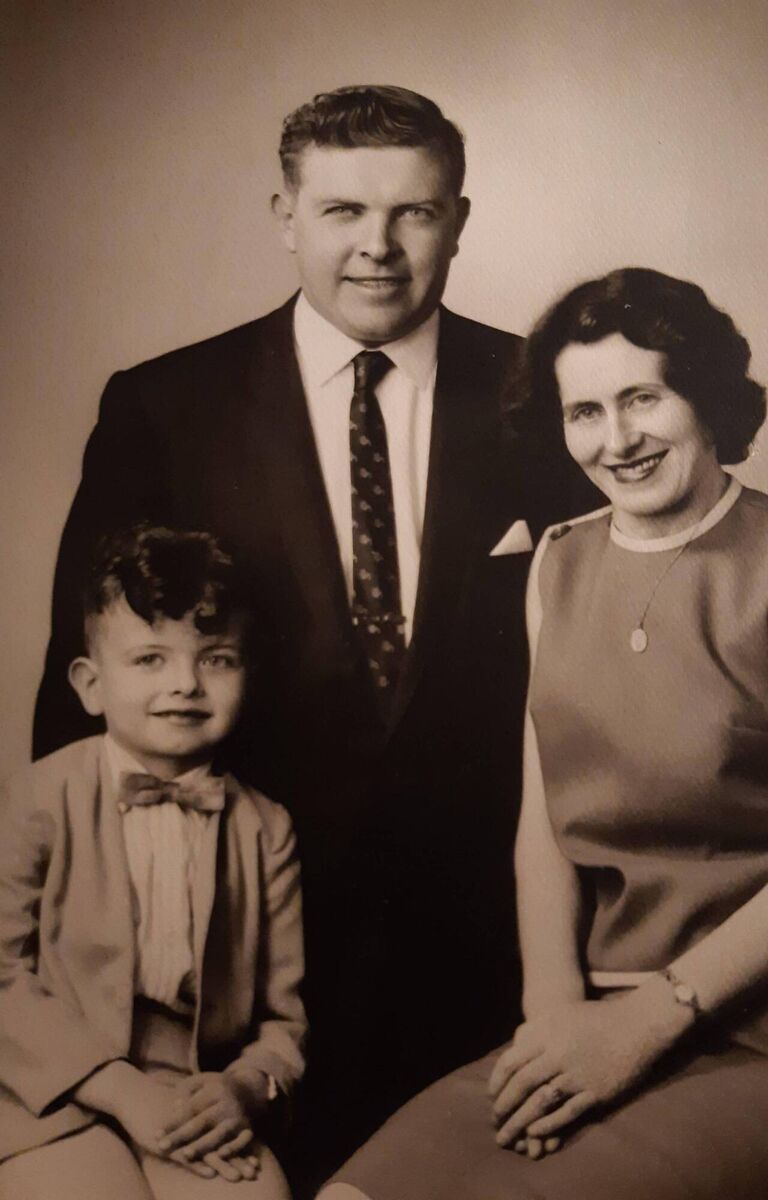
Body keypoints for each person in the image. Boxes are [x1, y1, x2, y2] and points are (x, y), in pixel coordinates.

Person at [31, 85, 595, 1187]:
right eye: (342, 212)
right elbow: (78, 699)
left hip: (490, 939)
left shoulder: (546, 398)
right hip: (222, 950)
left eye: (414, 214)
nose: (378, 248)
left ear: (461, 219)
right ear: (284, 214)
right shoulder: (165, 405)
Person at [318, 268, 768, 1200]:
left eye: (643, 398)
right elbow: (545, 821)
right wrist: (552, 1013)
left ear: (707, 399)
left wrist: (647, 1025)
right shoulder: (558, 562)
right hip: (609, 1007)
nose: (616, 439)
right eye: (584, 411)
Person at [0, 524, 305, 1199]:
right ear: (90, 684)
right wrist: (115, 1089)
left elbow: (283, 1019)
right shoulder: (36, 798)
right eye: (149, 660)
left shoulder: (266, 828)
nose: (186, 684)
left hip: (185, 1091)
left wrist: (244, 1088)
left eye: (217, 658)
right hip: (41, 1084)